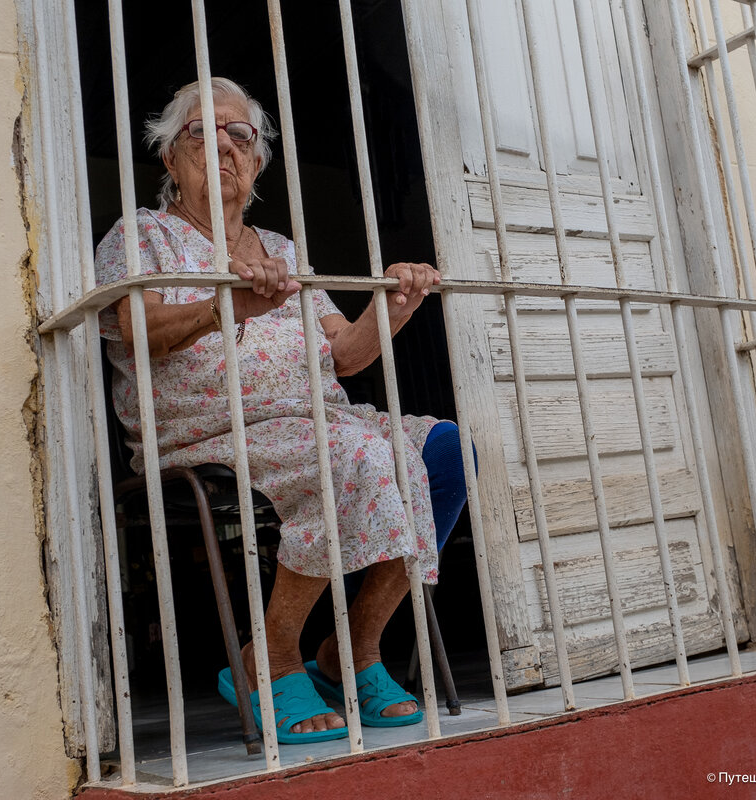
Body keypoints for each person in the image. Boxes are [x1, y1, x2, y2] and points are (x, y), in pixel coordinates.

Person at [95, 77, 468, 744]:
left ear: (258, 163)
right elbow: (134, 327)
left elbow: (346, 355)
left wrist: (396, 301)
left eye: (240, 135)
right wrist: (223, 306)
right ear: (169, 159)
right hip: (210, 428)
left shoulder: (283, 251)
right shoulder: (140, 235)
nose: (225, 146)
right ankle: (267, 658)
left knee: (443, 452)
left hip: (319, 416)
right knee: (357, 452)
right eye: (201, 133)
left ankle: (351, 649)